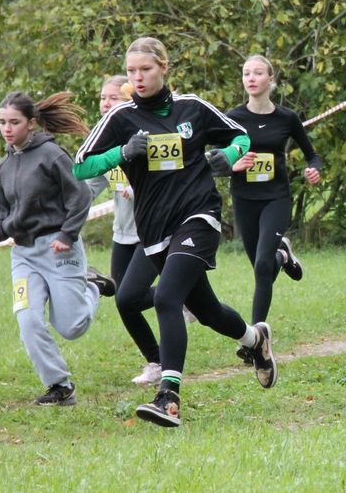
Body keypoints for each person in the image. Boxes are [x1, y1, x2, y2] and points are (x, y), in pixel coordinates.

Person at [73, 37, 277, 428]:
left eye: (145, 69)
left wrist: (229, 156)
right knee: (205, 310)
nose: (138, 77)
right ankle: (255, 340)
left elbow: (241, 135)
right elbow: (80, 166)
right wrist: (122, 153)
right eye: (131, 71)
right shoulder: (121, 118)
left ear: (163, 68)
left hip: (199, 215)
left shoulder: (192, 108)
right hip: (154, 230)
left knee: (167, 297)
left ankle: (168, 397)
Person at [0, 91, 115, 406]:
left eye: (14, 122)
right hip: (23, 255)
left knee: (71, 327)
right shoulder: (5, 165)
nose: (7, 129)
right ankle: (60, 386)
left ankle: (94, 286)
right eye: (2, 122)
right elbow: (0, 207)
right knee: (27, 319)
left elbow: (80, 197)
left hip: (59, 249)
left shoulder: (52, 155)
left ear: (31, 123)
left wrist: (68, 235)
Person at [225, 55, 321, 341]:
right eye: (246, 73)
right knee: (262, 267)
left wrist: (313, 169)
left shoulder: (287, 118)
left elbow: (312, 155)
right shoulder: (232, 118)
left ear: (271, 79)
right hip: (244, 198)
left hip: (276, 197)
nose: (251, 78)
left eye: (257, 73)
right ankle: (283, 255)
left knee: (262, 266)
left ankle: (257, 336)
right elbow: (215, 158)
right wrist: (233, 165)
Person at [84, 76, 163, 384]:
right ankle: (156, 360)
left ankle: (158, 360)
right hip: (123, 232)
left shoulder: (144, 134)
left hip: (152, 230)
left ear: (129, 100)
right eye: (103, 98)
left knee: (128, 297)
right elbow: (89, 186)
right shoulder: (104, 141)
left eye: (113, 98)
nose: (106, 103)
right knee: (124, 298)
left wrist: (140, 187)